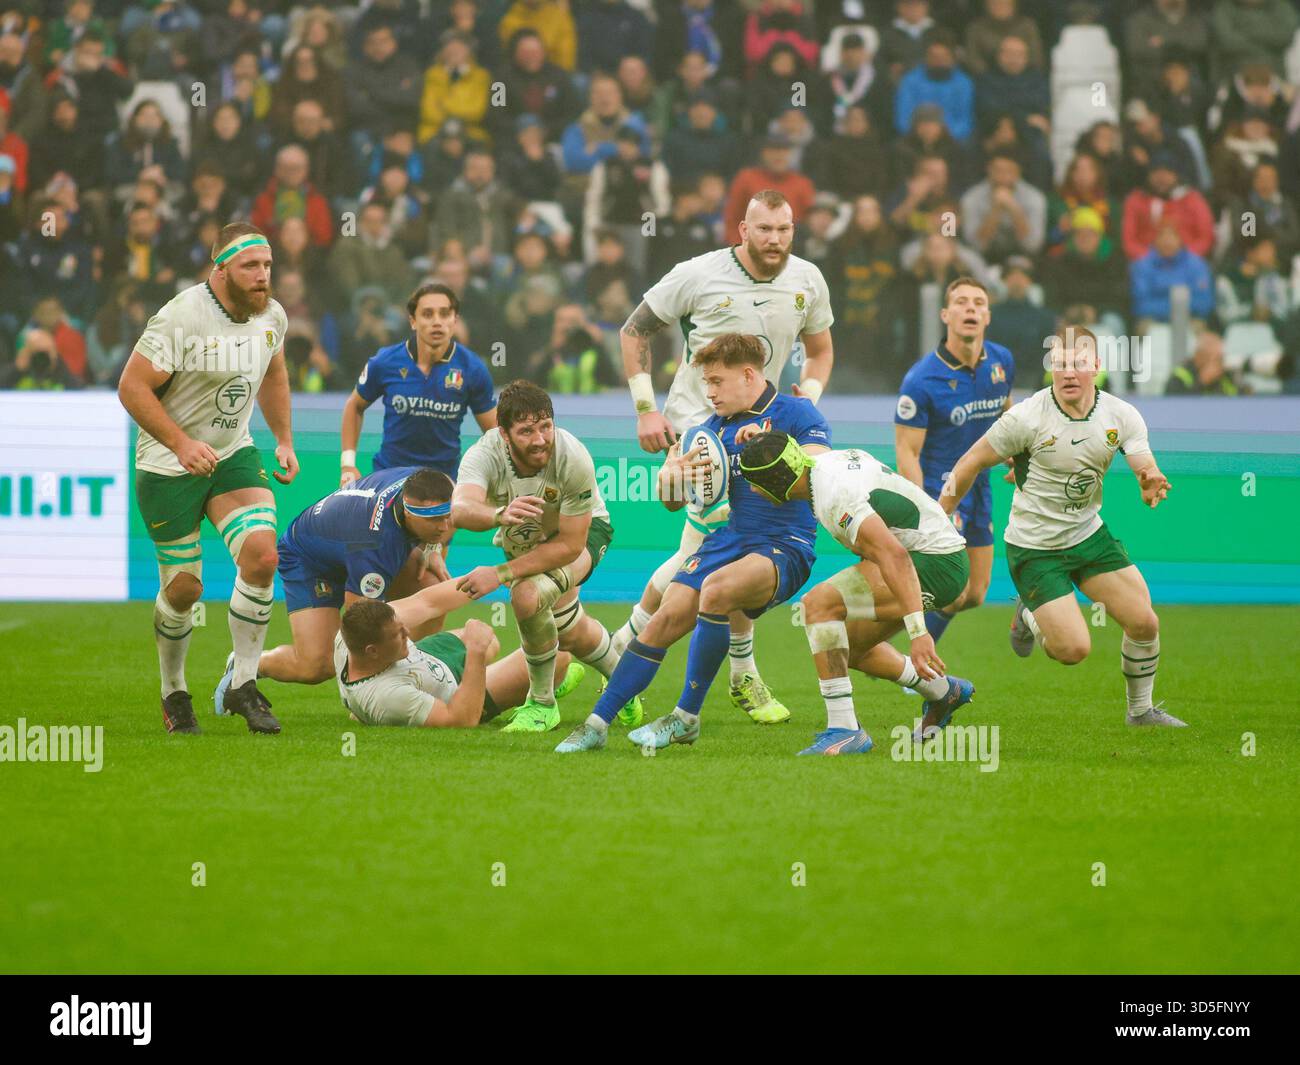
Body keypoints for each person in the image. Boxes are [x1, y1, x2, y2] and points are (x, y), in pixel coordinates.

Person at [610, 188, 834, 725]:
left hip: (759, 437)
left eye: (784, 230)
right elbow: (635, 330)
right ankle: (731, 669)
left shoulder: (808, 281)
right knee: (715, 553)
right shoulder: (699, 273)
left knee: (723, 554)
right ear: (743, 230)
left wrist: (809, 396)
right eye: (764, 229)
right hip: (698, 435)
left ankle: (620, 646)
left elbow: (821, 350)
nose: (774, 240)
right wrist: (645, 409)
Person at [555, 332, 831, 754]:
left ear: (748, 374)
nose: (710, 393)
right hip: (730, 538)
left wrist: (769, 445)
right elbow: (672, 502)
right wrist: (672, 478)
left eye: (717, 382)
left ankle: (686, 718)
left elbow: (819, 471)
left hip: (785, 543)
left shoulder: (797, 413)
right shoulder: (708, 432)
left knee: (717, 592)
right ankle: (596, 724)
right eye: (706, 383)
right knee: (666, 614)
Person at [941, 327, 1185, 728]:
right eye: (1059, 364)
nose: (1069, 373)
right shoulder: (1025, 417)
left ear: (1097, 367)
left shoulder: (1121, 415)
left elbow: (1144, 463)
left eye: (1078, 363)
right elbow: (969, 463)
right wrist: (940, 513)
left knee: (1145, 622)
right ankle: (1028, 613)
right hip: (1035, 548)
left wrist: (1151, 480)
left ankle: (1141, 712)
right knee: (1072, 650)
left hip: (1088, 536)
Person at [117, 222, 298, 736]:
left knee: (263, 555)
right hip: (167, 465)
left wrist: (283, 439)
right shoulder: (181, 316)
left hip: (231, 453)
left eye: (267, 265)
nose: (263, 276)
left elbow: (276, 373)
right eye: (251, 267)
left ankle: (243, 684)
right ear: (220, 270)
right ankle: (174, 692)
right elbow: (131, 388)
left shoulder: (272, 316)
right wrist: (180, 443)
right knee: (184, 591)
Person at [738, 428, 976, 754]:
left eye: (755, 481)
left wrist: (919, 633)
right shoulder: (821, 467)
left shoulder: (835, 496)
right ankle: (943, 691)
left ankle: (845, 729)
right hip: (935, 557)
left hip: (935, 565)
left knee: (818, 606)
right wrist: (762, 442)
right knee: (844, 647)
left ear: (777, 480)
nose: (752, 489)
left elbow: (895, 556)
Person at [451, 381, 640, 733]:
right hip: (523, 532)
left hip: (584, 533)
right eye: (526, 431)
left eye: (545, 426)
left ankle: (541, 704)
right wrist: (498, 515)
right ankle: (624, 686)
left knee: (526, 596)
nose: (539, 439)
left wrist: (501, 572)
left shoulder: (572, 456)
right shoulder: (484, 454)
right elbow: (460, 510)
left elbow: (570, 545)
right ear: (503, 434)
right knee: (568, 629)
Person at [236, 467, 456, 700]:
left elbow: (453, 512)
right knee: (317, 667)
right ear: (409, 511)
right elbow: (359, 627)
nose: (443, 527)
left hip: (346, 541)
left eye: (446, 516)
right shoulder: (374, 545)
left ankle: (408, 674)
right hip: (309, 559)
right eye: (433, 520)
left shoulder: (433, 487)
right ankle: (246, 667)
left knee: (432, 587)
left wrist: (432, 548)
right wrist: (363, 696)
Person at [894, 277, 1014, 646]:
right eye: (961, 302)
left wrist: (1013, 453)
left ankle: (899, 648)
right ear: (945, 314)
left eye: (978, 303)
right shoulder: (921, 380)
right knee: (954, 589)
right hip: (940, 491)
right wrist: (923, 508)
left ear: (988, 316)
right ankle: (910, 662)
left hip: (979, 487)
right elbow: (907, 452)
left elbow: (1005, 414)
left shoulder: (1002, 361)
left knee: (975, 593)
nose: (971, 309)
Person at [333, 588, 586, 729]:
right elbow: (461, 719)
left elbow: (425, 601)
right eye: (398, 635)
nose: (407, 634)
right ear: (372, 651)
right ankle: (544, 688)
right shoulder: (389, 697)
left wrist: (488, 577)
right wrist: (475, 652)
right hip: (459, 692)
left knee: (491, 640)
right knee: (558, 654)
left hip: (427, 658)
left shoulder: (347, 638)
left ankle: (534, 683)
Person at [339, 283, 496, 487]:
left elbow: (494, 430)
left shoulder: (473, 368)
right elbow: (354, 405)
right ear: (413, 321)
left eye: (445, 314)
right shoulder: (385, 362)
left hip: (443, 481)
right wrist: (347, 464)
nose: (437, 322)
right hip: (389, 478)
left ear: (455, 320)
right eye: (428, 314)